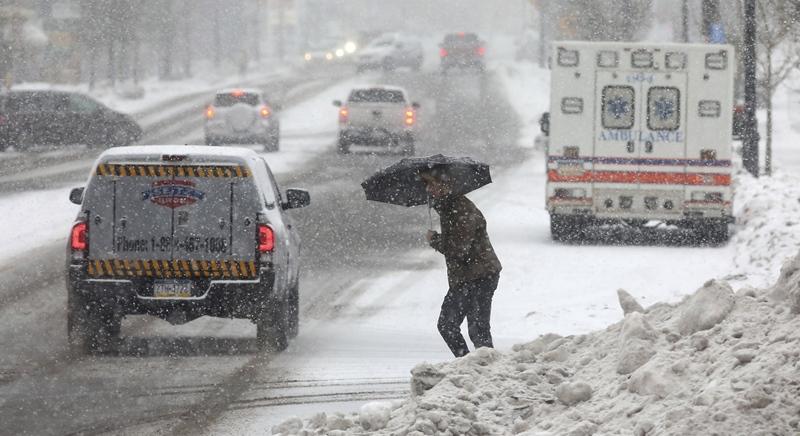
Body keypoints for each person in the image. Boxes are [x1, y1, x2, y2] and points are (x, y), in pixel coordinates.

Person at [420, 167, 502, 358]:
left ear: (447, 184)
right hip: (471, 275)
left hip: (477, 275)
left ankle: (473, 370)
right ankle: (476, 371)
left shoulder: (460, 209)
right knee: (475, 329)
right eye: (426, 185)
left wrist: (435, 240)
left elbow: (458, 249)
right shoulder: (449, 208)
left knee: (456, 326)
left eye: (433, 183)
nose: (429, 189)